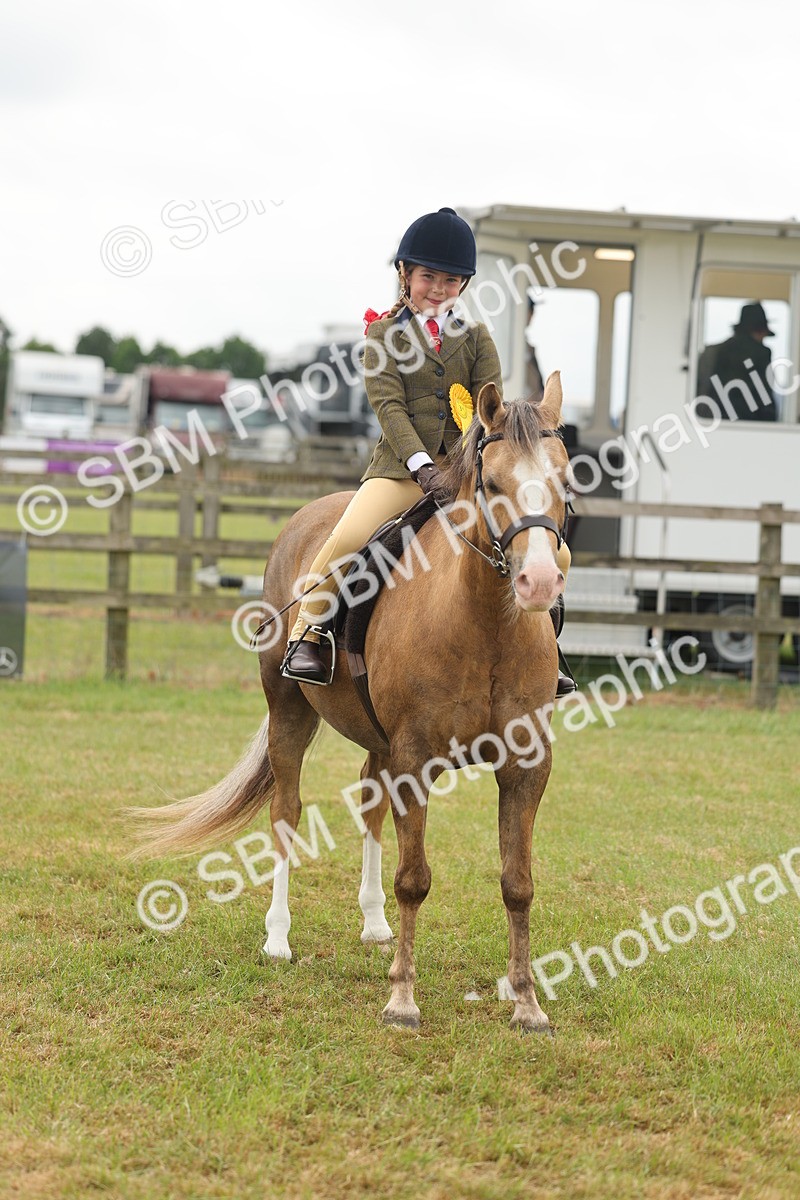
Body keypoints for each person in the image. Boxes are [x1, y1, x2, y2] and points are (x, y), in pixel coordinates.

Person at [280, 207, 575, 693]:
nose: (438, 288)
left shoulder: (476, 338)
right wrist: (422, 468)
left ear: (463, 285)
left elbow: (491, 410)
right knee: (348, 538)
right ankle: (307, 633)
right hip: (399, 471)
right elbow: (389, 408)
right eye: (428, 277)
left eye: (450, 280)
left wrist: (471, 465)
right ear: (406, 275)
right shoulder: (381, 336)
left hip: (464, 473)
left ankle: (549, 652)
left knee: (553, 553)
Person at [697, 301, 778, 421]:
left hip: (712, 419)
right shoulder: (762, 353)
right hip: (750, 421)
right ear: (760, 331)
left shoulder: (712, 352)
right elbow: (764, 395)